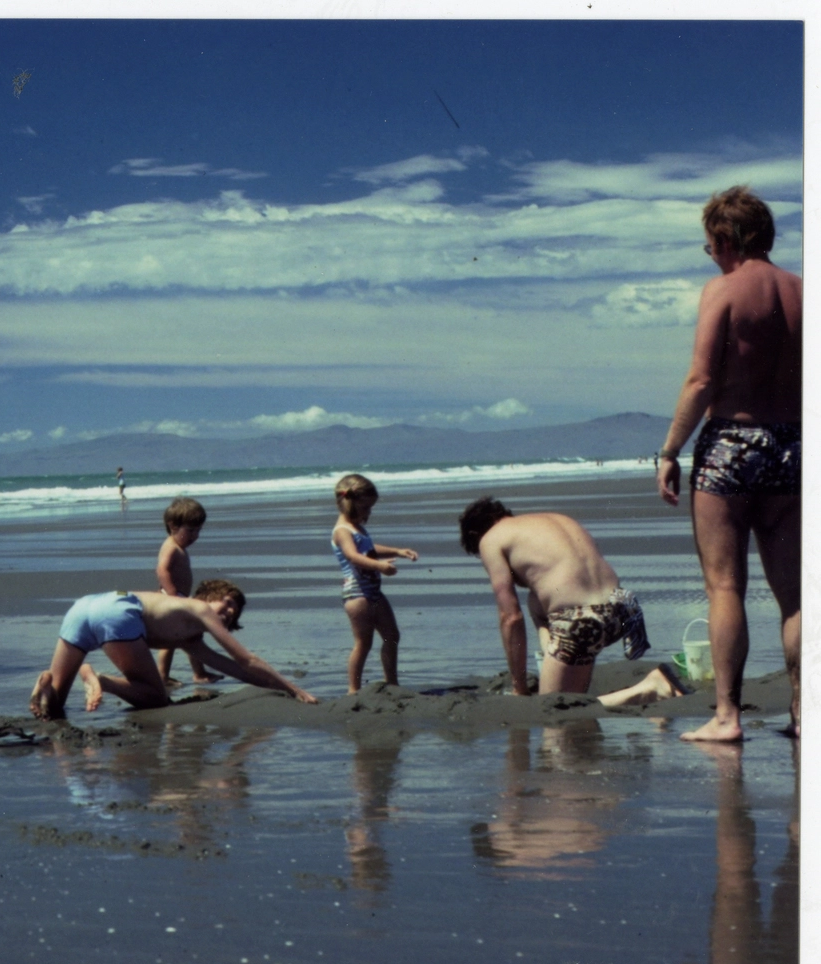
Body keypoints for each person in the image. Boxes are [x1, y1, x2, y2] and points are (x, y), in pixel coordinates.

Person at [656, 186, 801, 742]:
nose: (710, 254)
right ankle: (802, 713)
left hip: (732, 446)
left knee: (725, 588)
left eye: (709, 245)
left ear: (725, 239)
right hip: (794, 444)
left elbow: (701, 379)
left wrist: (669, 451)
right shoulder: (803, 292)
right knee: (794, 596)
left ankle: (726, 716)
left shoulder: (722, 290)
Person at [459, 498, 689, 708]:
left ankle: (650, 688)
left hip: (582, 620)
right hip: (622, 608)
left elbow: (510, 617)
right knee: (535, 601)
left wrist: (519, 687)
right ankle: (556, 657)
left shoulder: (490, 539)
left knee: (553, 708)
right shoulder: (553, 520)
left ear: (476, 534)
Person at [28, 580, 318, 719]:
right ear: (207, 597)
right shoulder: (200, 608)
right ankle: (100, 679)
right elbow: (246, 658)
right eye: (227, 602)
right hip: (117, 611)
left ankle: (45, 682)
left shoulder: (190, 639)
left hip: (85, 604)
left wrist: (273, 685)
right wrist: (295, 690)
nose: (229, 611)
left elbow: (236, 668)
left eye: (235, 612)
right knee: (155, 697)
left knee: (52, 709)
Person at [331, 474, 418, 694]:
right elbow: (353, 556)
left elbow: (369, 548)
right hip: (357, 594)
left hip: (373, 593)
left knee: (392, 635)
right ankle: (353, 690)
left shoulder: (356, 529)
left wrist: (397, 551)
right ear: (352, 504)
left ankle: (392, 683)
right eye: (366, 508)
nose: (369, 513)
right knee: (363, 643)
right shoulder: (342, 531)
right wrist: (379, 566)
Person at [153, 497, 218, 687]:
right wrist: (173, 595)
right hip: (172, 598)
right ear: (173, 526)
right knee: (174, 640)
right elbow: (161, 570)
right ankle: (163, 676)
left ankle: (198, 673)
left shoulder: (178, 547)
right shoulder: (171, 547)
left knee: (190, 636)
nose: (195, 536)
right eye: (190, 531)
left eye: (198, 531)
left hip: (178, 598)